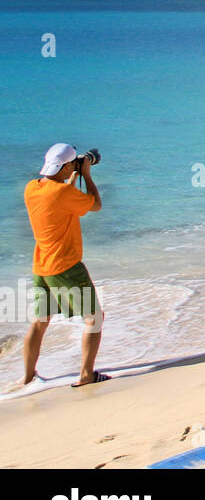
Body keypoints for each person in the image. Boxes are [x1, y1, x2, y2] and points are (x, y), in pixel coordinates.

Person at [22, 144, 107, 388]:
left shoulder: (31, 189)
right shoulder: (63, 194)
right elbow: (95, 205)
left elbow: (56, 197)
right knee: (95, 319)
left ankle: (28, 378)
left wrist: (72, 176)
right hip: (67, 266)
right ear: (68, 165)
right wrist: (87, 174)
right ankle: (86, 374)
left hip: (41, 266)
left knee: (39, 322)